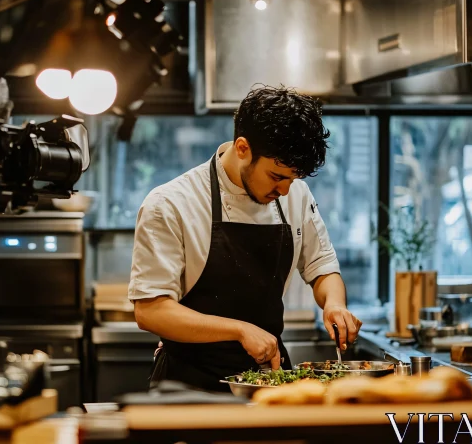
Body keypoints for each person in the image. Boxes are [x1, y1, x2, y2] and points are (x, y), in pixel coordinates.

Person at [128, 85, 362, 393]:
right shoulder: (171, 204)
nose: (286, 191)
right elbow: (150, 310)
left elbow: (321, 266)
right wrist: (239, 330)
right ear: (242, 148)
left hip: (268, 382)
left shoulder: (295, 195)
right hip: (188, 384)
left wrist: (334, 303)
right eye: (277, 177)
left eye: (294, 179)